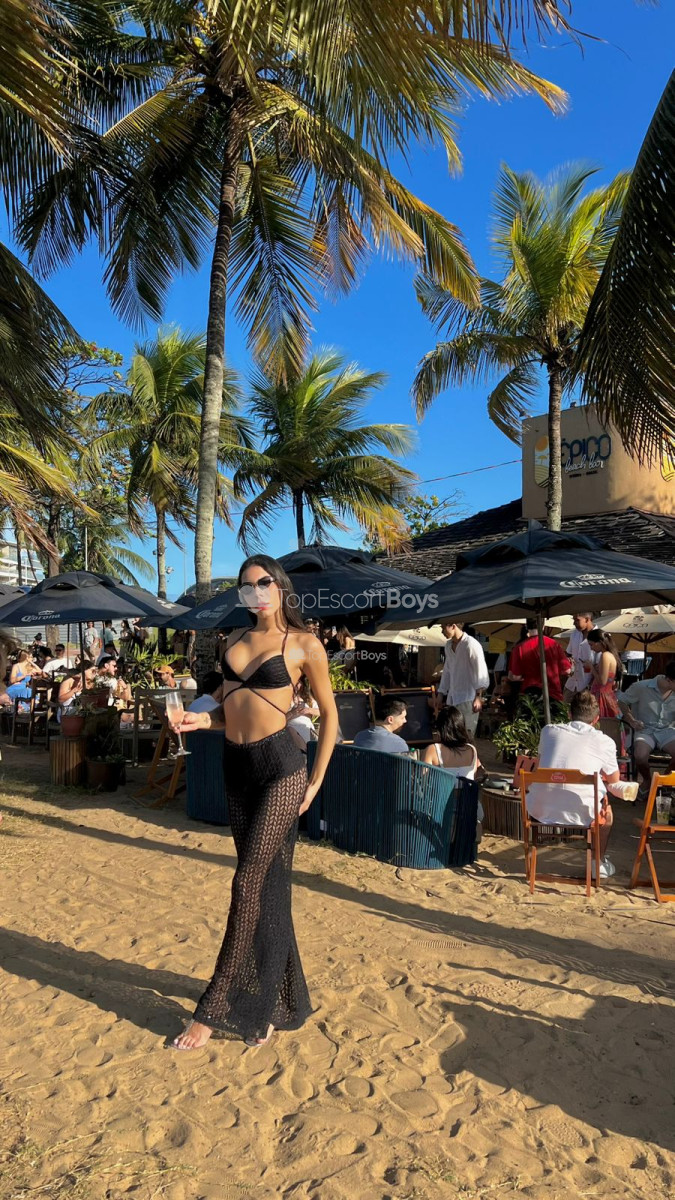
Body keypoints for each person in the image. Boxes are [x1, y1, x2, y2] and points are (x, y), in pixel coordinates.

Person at [172, 554, 338, 1051]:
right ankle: (276, 1004)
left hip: (282, 768)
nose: (256, 592)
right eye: (247, 586)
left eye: (264, 582)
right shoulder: (234, 641)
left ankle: (214, 1006)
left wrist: (315, 781)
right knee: (267, 888)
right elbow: (228, 710)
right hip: (237, 766)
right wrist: (201, 721)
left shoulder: (304, 644)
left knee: (246, 882)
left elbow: (331, 716)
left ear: (280, 586)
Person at [526, 690, 620, 878]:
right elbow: (614, 780)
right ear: (596, 719)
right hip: (584, 812)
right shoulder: (605, 742)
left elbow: (542, 761)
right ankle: (597, 863)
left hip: (539, 808)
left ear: (569, 714)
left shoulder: (549, 731)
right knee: (607, 814)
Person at [618, 661, 675, 795]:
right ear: (669, 680)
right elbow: (622, 701)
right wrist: (631, 720)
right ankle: (648, 780)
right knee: (640, 755)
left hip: (667, 730)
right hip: (645, 730)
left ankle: (663, 781)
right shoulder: (642, 687)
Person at [436, 620, 489, 736]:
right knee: (453, 735)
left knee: (466, 735)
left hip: (468, 698)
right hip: (453, 698)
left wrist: (478, 696)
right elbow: (447, 671)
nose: (442, 631)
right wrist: (441, 693)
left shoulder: (471, 644)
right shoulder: (448, 646)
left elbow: (480, 669)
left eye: (444, 627)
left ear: (453, 626)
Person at [508, 618, 572, 704]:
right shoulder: (553, 644)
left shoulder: (518, 648)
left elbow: (515, 677)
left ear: (527, 626)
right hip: (553, 693)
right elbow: (567, 670)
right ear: (543, 626)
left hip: (530, 695)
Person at [587, 628, 623, 718]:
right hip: (606, 695)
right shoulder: (610, 655)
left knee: (600, 722)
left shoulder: (605, 655)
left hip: (601, 696)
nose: (591, 648)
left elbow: (602, 681)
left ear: (599, 642)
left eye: (591, 644)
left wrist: (591, 667)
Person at [563, 613, 594, 702]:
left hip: (588, 685)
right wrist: (567, 661)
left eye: (577, 620)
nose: (574, 623)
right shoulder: (574, 634)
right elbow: (568, 653)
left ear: (587, 619)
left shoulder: (599, 636)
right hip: (572, 683)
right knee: (564, 708)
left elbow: (601, 665)